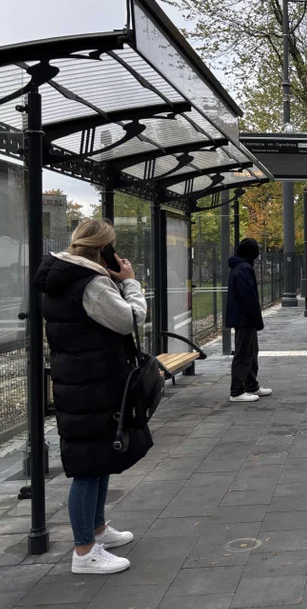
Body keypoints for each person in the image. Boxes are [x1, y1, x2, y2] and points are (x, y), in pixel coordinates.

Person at [34, 219, 150, 575]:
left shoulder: (63, 277)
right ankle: (85, 551)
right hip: (94, 382)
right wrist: (129, 281)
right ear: (104, 248)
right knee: (88, 467)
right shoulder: (93, 283)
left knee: (97, 458)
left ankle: (97, 529)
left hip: (79, 379)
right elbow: (130, 319)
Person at [226, 238, 271, 403]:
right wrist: (257, 319)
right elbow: (248, 296)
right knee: (244, 353)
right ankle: (237, 391)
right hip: (245, 318)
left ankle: (251, 385)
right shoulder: (244, 268)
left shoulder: (239, 267)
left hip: (243, 318)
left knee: (250, 352)